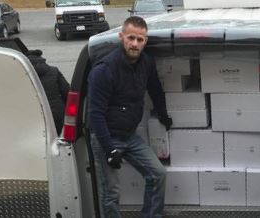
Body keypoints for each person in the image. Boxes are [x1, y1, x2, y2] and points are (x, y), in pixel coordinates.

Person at [88, 16, 172, 218]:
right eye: (131, 38)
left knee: (157, 174)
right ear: (121, 37)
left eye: (140, 39)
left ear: (145, 41)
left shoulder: (146, 63)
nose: (135, 44)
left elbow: (155, 89)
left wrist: (163, 114)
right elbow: (95, 114)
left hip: (129, 136)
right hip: (105, 138)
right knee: (111, 193)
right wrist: (110, 149)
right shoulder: (104, 70)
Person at [26, 49, 70, 135]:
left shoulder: (23, 73)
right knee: (54, 138)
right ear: (41, 58)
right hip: (56, 113)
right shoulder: (54, 70)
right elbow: (66, 91)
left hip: (34, 114)